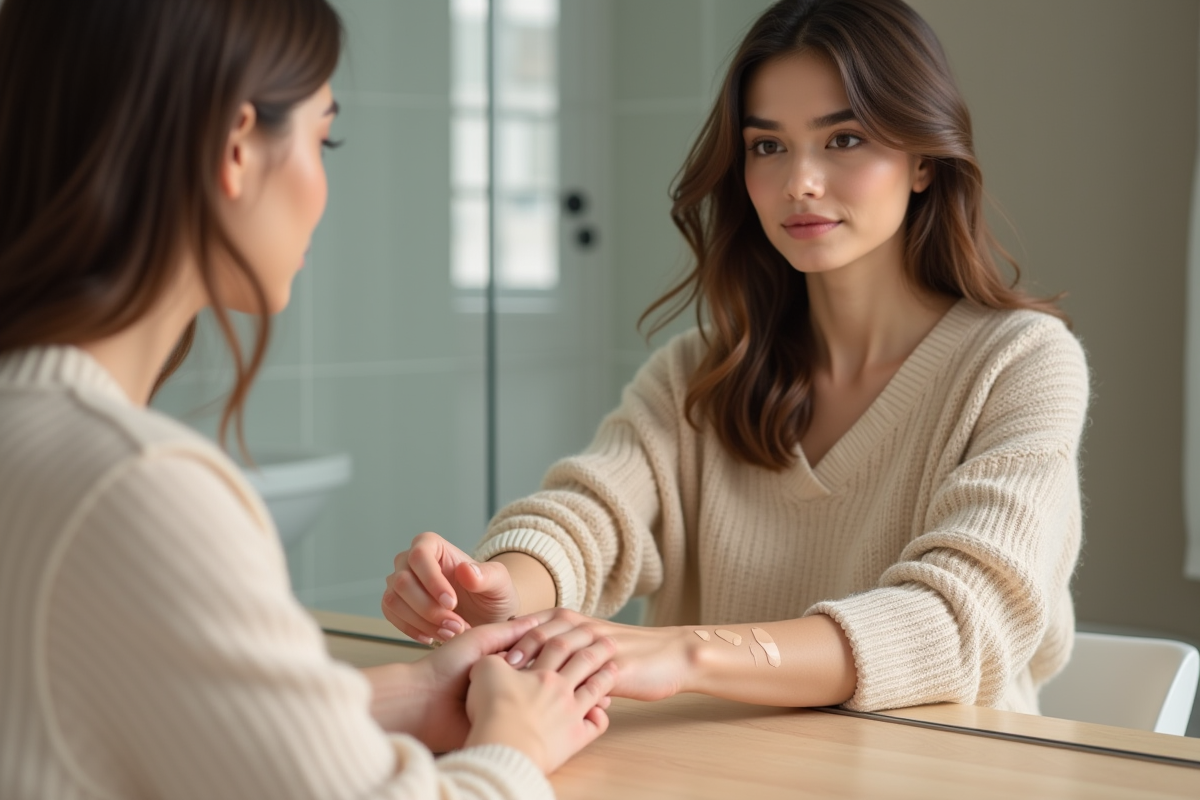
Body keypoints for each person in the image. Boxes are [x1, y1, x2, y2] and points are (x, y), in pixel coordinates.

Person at [383, 0, 1089, 715]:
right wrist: (500, 585)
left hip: (945, 766)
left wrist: (688, 654)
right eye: (767, 145)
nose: (799, 181)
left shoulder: (1021, 364)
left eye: (843, 139)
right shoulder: (700, 372)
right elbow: (590, 515)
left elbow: (959, 621)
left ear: (924, 163)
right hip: (723, 764)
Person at [0, 1, 619, 798]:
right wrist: (518, 742)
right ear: (234, 147)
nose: (325, 187)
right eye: (323, 139)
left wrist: (404, 694)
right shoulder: (136, 488)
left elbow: (129, 704)